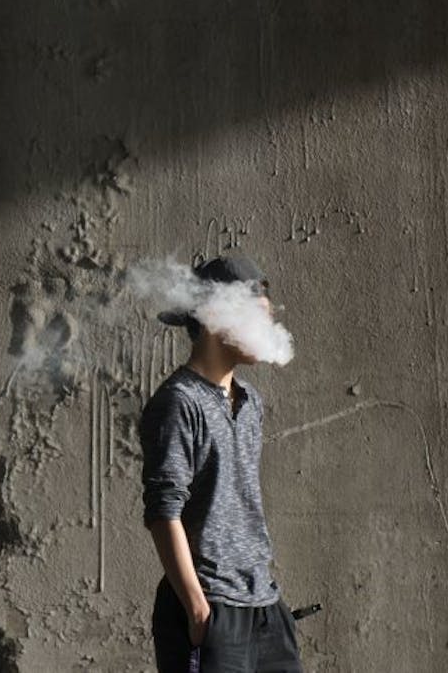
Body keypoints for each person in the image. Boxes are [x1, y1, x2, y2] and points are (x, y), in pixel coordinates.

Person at [139, 254, 304, 673]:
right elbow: (163, 511)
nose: (268, 331)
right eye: (257, 317)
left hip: (265, 607)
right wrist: (198, 611)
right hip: (211, 611)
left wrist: (271, 605)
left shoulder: (250, 404)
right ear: (216, 316)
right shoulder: (179, 402)